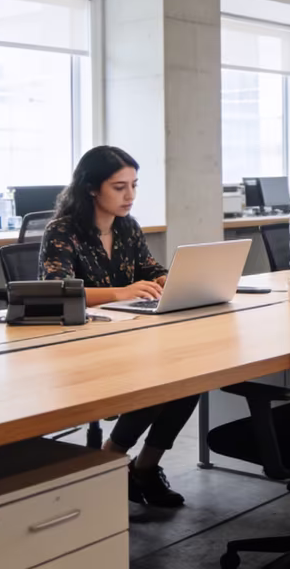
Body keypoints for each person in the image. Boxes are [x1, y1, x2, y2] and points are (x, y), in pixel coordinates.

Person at [39, 145, 196, 508]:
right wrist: (120, 292)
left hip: (127, 335)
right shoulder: (62, 230)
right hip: (77, 342)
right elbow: (54, 289)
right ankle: (113, 456)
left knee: (190, 377)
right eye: (119, 187)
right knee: (156, 376)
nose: (130, 196)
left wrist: (174, 280)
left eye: (134, 186)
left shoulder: (127, 227)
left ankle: (144, 466)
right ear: (92, 188)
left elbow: (148, 268)